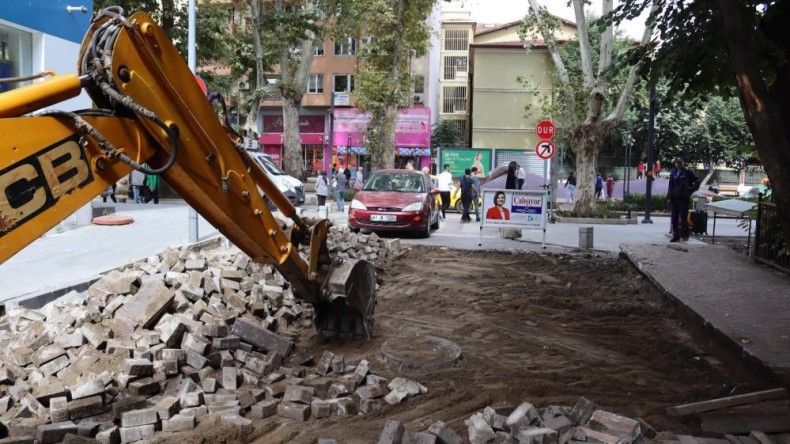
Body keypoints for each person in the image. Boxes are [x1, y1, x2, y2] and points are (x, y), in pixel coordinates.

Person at [667, 157, 700, 242]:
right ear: (675, 163)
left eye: (680, 163)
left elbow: (697, 181)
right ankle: (676, 236)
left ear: (683, 163)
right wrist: (669, 197)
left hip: (683, 199)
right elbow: (670, 185)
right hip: (674, 199)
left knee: (683, 218)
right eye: (677, 163)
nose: (678, 164)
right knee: (674, 219)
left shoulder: (688, 172)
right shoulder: (673, 172)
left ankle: (685, 235)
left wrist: (690, 190)